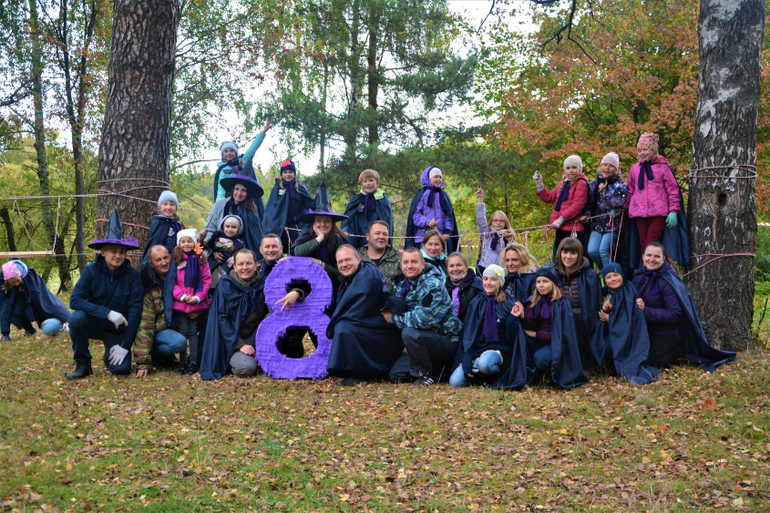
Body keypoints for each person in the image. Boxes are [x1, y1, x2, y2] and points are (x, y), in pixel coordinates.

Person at [632, 242, 735, 371]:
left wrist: (646, 310)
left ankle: (684, 347)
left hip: (669, 332)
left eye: (656, 256)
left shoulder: (668, 280)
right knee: (634, 354)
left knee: (653, 360)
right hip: (646, 330)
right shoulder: (638, 277)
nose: (651, 259)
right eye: (648, 255)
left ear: (663, 259)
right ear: (643, 256)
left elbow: (675, 314)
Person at [67, 209, 143, 380]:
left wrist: (125, 345)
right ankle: (83, 363)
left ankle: (109, 355)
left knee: (121, 370)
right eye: (113, 251)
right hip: (93, 323)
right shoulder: (90, 271)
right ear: (102, 252)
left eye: (121, 252)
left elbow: (135, 312)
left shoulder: (133, 276)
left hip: (117, 329)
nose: (118, 255)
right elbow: (75, 300)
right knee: (76, 318)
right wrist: (107, 313)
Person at [326, 245, 403, 385]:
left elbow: (359, 310)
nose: (344, 264)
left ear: (358, 259)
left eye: (348, 260)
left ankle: (363, 372)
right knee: (343, 325)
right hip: (364, 322)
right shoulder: (347, 278)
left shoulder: (368, 275)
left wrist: (336, 322)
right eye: (340, 262)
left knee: (344, 328)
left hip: (381, 328)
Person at [384, 248, 462, 386]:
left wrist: (394, 319)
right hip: (420, 340)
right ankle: (439, 371)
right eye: (406, 262)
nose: (409, 266)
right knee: (397, 375)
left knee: (409, 333)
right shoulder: (401, 285)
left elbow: (423, 320)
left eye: (414, 262)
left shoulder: (433, 285)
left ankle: (424, 375)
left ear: (423, 264)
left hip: (445, 339)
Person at [504, 266, 588, 389]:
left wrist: (535, 334)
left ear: (553, 283)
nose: (541, 285)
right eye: (538, 282)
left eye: (545, 281)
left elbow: (560, 333)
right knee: (519, 335)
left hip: (556, 344)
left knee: (540, 358)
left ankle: (548, 373)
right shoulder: (534, 301)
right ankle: (529, 372)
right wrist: (522, 315)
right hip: (538, 341)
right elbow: (530, 325)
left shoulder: (561, 304)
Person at [200, 249, 264, 380]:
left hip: (257, 336)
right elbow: (222, 318)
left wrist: (296, 291)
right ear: (234, 266)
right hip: (233, 340)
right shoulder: (226, 285)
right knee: (246, 368)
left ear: (255, 265)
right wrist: (240, 344)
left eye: (249, 263)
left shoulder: (264, 283)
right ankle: (233, 359)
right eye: (240, 264)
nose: (245, 267)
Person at [449, 265, 515, 387]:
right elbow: (468, 334)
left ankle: (495, 375)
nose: (488, 283)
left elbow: (513, 333)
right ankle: (482, 376)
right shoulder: (476, 302)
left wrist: (515, 317)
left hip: (498, 350)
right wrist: (467, 362)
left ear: (500, 283)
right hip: (478, 350)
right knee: (455, 382)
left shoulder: (508, 303)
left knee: (485, 364)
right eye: (485, 279)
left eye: (493, 279)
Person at [597, 263, 660, 384]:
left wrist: (611, 319)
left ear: (622, 275)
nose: (613, 279)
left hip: (630, 335)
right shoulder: (604, 293)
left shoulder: (629, 291)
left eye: (616, 275)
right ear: (604, 280)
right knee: (605, 346)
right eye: (608, 277)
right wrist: (605, 310)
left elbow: (632, 318)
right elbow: (601, 315)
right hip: (612, 332)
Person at [623, 133, 682, 256]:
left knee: (651, 244)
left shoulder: (663, 168)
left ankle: (656, 267)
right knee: (643, 246)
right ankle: (646, 268)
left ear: (653, 150)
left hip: (658, 213)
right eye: (639, 150)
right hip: (639, 212)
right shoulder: (635, 169)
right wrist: (622, 207)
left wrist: (673, 211)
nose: (642, 153)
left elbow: (672, 190)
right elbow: (630, 190)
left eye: (645, 149)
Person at [134, 245, 188, 378]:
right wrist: (143, 361)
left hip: (179, 323)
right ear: (151, 264)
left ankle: (195, 358)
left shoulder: (180, 275)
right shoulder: (149, 285)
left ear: (170, 257)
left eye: (165, 258)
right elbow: (145, 324)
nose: (163, 263)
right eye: (158, 260)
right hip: (158, 330)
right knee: (179, 342)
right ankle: (154, 355)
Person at [554, 237, 603, 366]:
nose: (568, 257)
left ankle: (581, 358)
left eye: (573, 253)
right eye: (565, 252)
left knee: (574, 318)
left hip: (584, 323)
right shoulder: (554, 274)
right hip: (560, 321)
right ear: (559, 253)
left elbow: (594, 307)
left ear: (579, 255)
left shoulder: (590, 275)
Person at [291, 182, 349, 291]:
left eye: (327, 221)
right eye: (318, 221)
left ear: (332, 223)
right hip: (307, 286)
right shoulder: (307, 235)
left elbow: (342, 273)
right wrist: (319, 238)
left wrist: (321, 264)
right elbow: (297, 252)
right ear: (313, 223)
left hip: (334, 287)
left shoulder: (340, 240)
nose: (323, 224)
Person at [533, 155, 590, 262]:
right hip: (561, 229)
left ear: (579, 169)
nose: (571, 170)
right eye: (568, 168)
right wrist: (539, 184)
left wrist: (561, 219)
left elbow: (577, 205)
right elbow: (549, 198)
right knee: (558, 259)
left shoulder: (581, 184)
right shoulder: (562, 184)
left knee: (572, 260)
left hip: (573, 229)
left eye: (574, 167)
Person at [171, 229, 212, 374]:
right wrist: (182, 296)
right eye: (183, 241)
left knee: (193, 332)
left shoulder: (201, 259)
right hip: (181, 303)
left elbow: (207, 280)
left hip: (196, 302)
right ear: (179, 243)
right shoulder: (176, 260)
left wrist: (199, 297)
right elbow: (172, 282)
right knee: (183, 331)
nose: (186, 244)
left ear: (195, 243)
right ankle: (182, 362)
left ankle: (193, 361)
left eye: (189, 241)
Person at [0, 260, 70, 342]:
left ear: (21, 276)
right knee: (5, 310)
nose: (16, 284)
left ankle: (30, 330)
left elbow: (37, 298)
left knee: (18, 312)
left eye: (18, 281)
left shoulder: (28, 276)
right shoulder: (3, 278)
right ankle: (5, 334)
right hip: (9, 294)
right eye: (12, 283)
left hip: (23, 294)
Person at [583, 153, 627, 270]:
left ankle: (610, 275)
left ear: (616, 169)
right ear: (601, 166)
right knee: (592, 251)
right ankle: (607, 273)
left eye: (611, 166)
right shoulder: (593, 184)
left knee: (603, 250)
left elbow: (617, 203)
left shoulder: (620, 185)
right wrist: (587, 214)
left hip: (612, 225)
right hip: (597, 224)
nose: (607, 168)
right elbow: (588, 203)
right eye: (605, 165)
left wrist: (603, 191)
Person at [262, 159, 314, 253]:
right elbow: (271, 209)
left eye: (290, 172)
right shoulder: (277, 189)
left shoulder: (300, 189)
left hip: (298, 227)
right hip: (281, 227)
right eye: (285, 172)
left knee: (299, 250)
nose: (288, 174)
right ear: (282, 174)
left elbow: (309, 204)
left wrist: (318, 198)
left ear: (294, 173)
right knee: (284, 251)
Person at [203, 175, 264, 255]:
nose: (239, 193)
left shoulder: (251, 211)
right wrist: (213, 250)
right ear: (232, 189)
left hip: (241, 252)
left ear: (248, 193)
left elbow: (254, 237)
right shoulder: (219, 204)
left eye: (243, 190)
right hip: (217, 248)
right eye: (237, 189)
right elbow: (210, 229)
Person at [213, 119, 272, 202]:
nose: (229, 153)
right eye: (226, 151)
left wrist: (264, 131)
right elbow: (221, 190)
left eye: (231, 151)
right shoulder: (223, 170)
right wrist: (219, 205)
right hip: (231, 200)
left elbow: (252, 148)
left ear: (236, 153)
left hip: (245, 199)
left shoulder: (242, 162)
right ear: (222, 155)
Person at [405, 166, 460, 253]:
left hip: (440, 239)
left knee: (441, 260)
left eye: (440, 177)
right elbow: (415, 216)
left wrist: (447, 231)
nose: (438, 179)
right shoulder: (421, 194)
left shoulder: (444, 196)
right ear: (428, 178)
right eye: (436, 177)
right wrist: (427, 221)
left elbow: (448, 216)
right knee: (423, 260)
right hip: (423, 238)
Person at [341, 169, 394, 250]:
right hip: (359, 234)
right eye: (365, 181)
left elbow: (387, 219)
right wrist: (345, 230)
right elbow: (348, 216)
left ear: (377, 183)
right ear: (362, 184)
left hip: (377, 236)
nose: (368, 183)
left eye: (371, 180)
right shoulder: (357, 199)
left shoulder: (382, 199)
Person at [475, 186, 514, 274]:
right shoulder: (487, 235)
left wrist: (509, 241)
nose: (498, 223)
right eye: (495, 220)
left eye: (501, 221)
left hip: (501, 270)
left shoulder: (507, 236)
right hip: (485, 268)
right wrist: (480, 199)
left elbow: (512, 252)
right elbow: (481, 220)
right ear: (491, 222)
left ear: (505, 223)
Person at [141, 191, 184, 266]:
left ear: (176, 208)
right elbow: (153, 245)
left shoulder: (179, 226)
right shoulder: (158, 224)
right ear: (160, 207)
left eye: (172, 204)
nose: (168, 207)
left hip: (176, 263)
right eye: (165, 204)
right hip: (161, 264)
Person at [357, 220, 401, 293]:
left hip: (391, 299)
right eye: (377, 233)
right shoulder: (356, 258)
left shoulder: (399, 258)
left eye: (385, 234)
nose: (381, 237)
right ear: (367, 236)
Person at [205, 215, 245, 288]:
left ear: (238, 229)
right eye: (227, 226)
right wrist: (201, 238)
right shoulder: (216, 238)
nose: (230, 229)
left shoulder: (238, 243)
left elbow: (244, 254)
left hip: (227, 269)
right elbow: (205, 245)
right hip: (212, 266)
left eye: (233, 227)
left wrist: (235, 257)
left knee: (223, 287)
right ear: (223, 227)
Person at [445, 252, 483, 323]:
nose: (455, 269)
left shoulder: (477, 283)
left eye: (459, 265)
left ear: (466, 267)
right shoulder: (444, 286)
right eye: (451, 266)